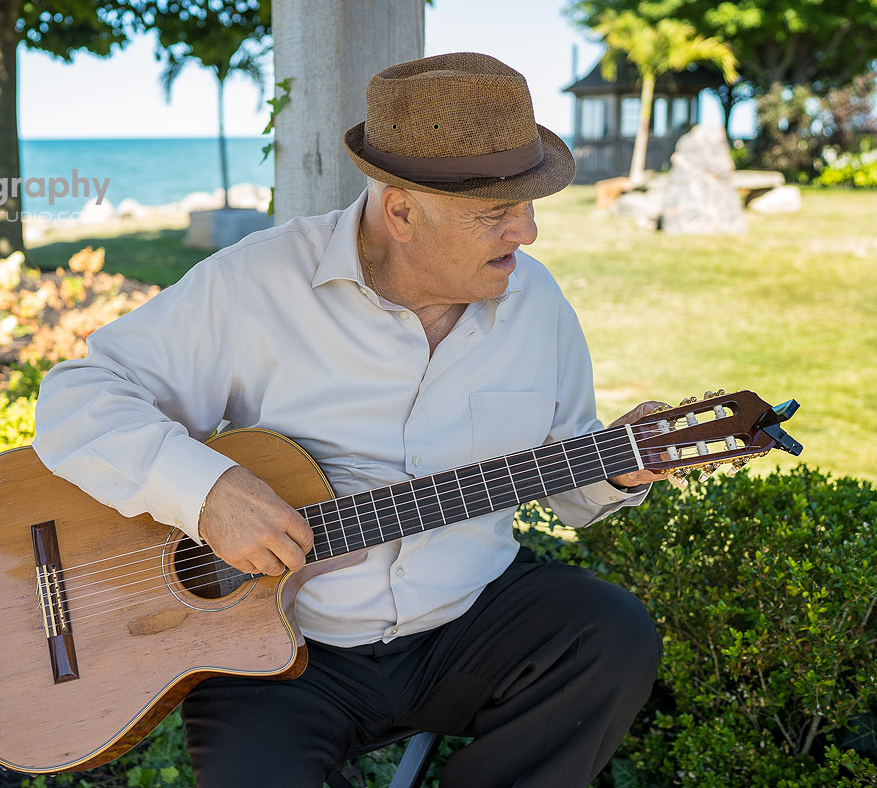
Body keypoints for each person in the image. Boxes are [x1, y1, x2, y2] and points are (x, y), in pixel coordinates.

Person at [32, 52, 666, 788]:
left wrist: (617, 465)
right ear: (401, 210)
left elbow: (567, 473)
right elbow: (77, 397)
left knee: (611, 634)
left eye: (530, 207)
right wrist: (206, 493)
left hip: (465, 621)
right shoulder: (258, 283)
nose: (526, 234)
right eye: (496, 214)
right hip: (280, 653)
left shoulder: (539, 306)